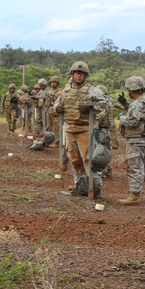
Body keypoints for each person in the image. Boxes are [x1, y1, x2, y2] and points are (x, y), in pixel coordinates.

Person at [53, 61, 110, 197]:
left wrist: (91, 106)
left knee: (89, 160)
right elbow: (56, 105)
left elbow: (105, 104)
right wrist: (57, 108)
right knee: (74, 159)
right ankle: (80, 184)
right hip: (69, 128)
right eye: (77, 73)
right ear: (72, 74)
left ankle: (94, 187)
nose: (79, 76)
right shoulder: (65, 91)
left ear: (86, 75)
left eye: (82, 74)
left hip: (85, 129)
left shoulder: (92, 90)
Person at [116, 76, 145, 206]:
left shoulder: (137, 104)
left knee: (134, 167)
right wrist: (125, 105)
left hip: (136, 140)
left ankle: (134, 195)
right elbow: (138, 112)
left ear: (131, 89)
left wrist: (122, 118)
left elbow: (133, 121)